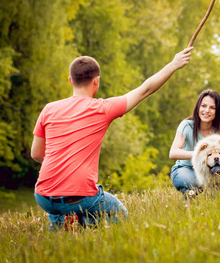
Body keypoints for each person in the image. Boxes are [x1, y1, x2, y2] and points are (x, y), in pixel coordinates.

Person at [31, 47, 194, 230]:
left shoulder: (49, 109)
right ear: (96, 82)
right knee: (120, 215)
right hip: (81, 198)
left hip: (44, 196)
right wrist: (173, 65)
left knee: (61, 217)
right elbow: (145, 89)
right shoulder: (102, 108)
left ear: (70, 80)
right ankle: (83, 222)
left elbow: (36, 154)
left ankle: (63, 225)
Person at [169, 89, 220, 194]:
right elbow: (173, 153)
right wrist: (200, 154)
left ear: (218, 111)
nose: (206, 110)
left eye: (212, 108)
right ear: (198, 107)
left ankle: (196, 203)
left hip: (211, 171)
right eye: (203, 106)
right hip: (185, 168)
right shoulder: (187, 125)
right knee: (196, 183)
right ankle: (190, 201)